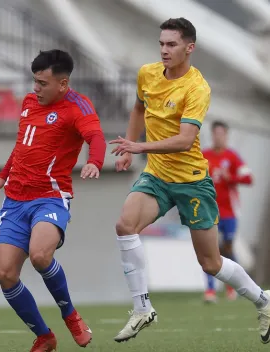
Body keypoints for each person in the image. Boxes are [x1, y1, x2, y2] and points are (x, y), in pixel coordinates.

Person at [110, 17, 270, 344]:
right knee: (125, 225)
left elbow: (185, 140)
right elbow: (139, 109)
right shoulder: (147, 74)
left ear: (189, 47)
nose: (164, 50)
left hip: (191, 182)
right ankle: (142, 308)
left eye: (171, 45)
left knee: (211, 263)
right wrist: (128, 146)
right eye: (161, 44)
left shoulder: (197, 88)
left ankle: (264, 301)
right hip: (156, 175)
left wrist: (139, 145)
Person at [0, 49, 106, 352]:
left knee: (40, 256)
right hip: (14, 200)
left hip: (50, 198)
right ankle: (44, 335)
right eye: (34, 82)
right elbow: (22, 147)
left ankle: (71, 315)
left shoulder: (78, 107)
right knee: (5, 274)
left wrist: (95, 161)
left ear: (63, 84)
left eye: (42, 83)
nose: (35, 89)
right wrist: (3, 176)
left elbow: (97, 137)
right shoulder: (29, 103)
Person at [202, 121, 253, 303]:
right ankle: (210, 290)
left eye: (221, 134)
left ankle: (233, 286)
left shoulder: (232, 157)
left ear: (226, 135)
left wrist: (230, 177)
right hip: (208, 210)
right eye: (215, 133)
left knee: (228, 247)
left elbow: (248, 178)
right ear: (212, 135)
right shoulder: (204, 156)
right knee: (209, 249)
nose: (218, 137)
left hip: (229, 211)